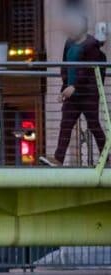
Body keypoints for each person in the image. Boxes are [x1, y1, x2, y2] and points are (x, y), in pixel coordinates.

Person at [42, 9, 108, 166]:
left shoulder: (91, 45)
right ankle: (58, 159)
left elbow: (88, 70)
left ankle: (107, 157)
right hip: (72, 94)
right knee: (65, 124)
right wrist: (64, 89)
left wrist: (75, 86)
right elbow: (65, 67)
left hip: (88, 94)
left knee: (94, 125)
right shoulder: (69, 43)